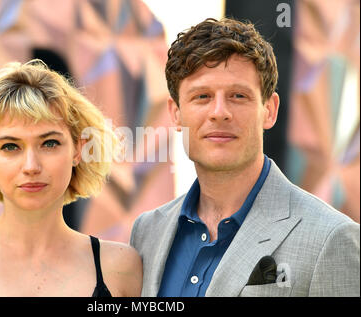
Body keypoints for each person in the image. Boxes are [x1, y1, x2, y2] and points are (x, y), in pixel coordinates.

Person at [130, 17, 360, 297]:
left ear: (270, 110)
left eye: (238, 96)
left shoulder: (331, 238)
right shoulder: (147, 232)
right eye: (202, 96)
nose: (219, 112)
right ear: (175, 113)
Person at [0, 59, 142, 297]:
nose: (31, 166)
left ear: (78, 150)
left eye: (49, 143)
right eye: (11, 146)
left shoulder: (120, 268)